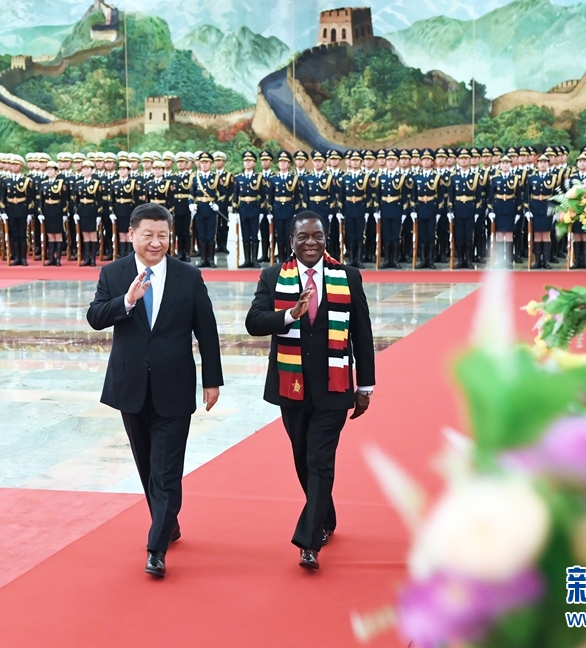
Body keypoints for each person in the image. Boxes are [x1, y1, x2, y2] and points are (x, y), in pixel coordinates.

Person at [87, 203, 223, 578]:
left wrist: (212, 380)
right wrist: (127, 301)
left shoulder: (188, 276)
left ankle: (156, 547)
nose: (155, 242)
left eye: (162, 235)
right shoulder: (113, 273)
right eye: (148, 234)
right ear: (132, 235)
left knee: (166, 470)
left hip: (174, 386)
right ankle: (168, 521)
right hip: (130, 385)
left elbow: (207, 331)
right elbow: (95, 317)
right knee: (146, 465)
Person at [245, 210, 375, 570]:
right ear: (291, 241)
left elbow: (362, 334)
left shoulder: (347, 277)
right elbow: (254, 322)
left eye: (317, 236)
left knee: (320, 460)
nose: (311, 243)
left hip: (334, 387)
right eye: (303, 237)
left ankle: (309, 540)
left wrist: (365, 386)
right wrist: (290, 314)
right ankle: (326, 516)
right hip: (292, 387)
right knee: (303, 459)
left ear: (326, 239)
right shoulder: (273, 277)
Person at [232, 150, 264, 268]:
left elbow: (263, 195)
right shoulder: (238, 178)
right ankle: (246, 259)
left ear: (254, 163)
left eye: (250, 161)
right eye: (246, 161)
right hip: (243, 208)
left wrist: (262, 211)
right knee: (245, 235)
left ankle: (254, 259)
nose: (248, 163)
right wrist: (235, 211)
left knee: (254, 235)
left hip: (254, 208)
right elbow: (235, 195)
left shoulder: (258, 177)